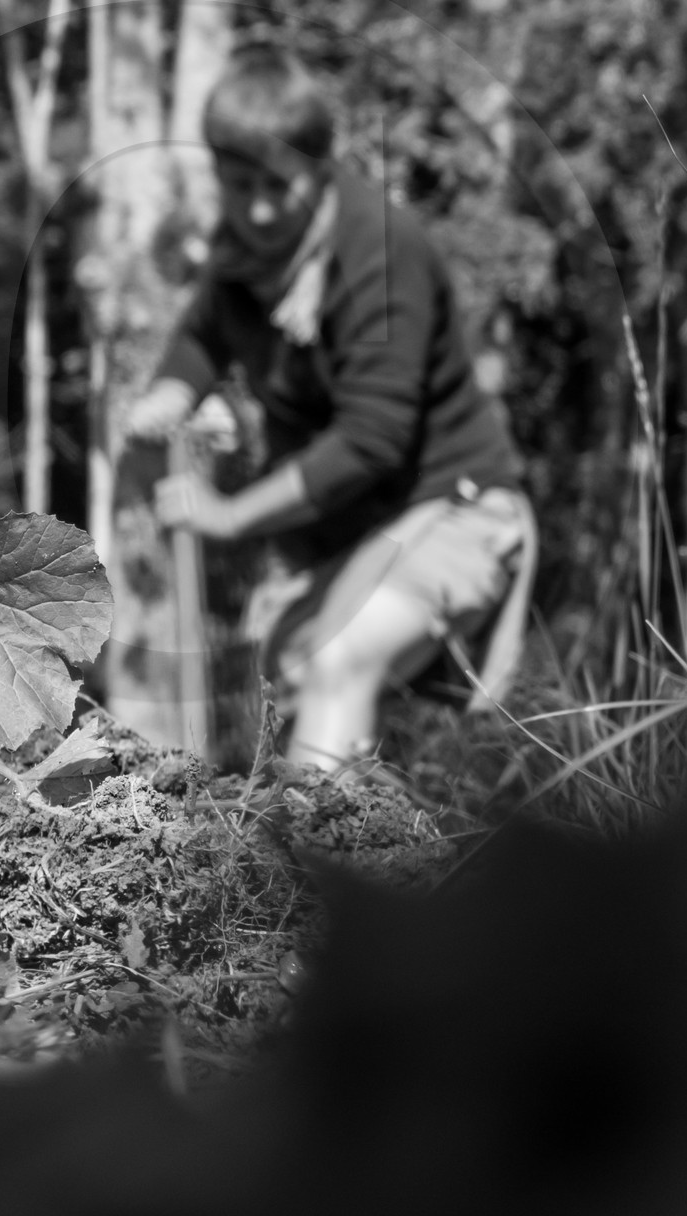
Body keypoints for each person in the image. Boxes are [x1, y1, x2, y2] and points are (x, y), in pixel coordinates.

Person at [124, 42, 536, 772]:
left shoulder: (378, 254)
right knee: (283, 672)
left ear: (320, 168)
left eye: (276, 187)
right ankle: (372, 814)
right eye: (237, 184)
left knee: (339, 659)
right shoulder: (245, 256)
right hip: (350, 537)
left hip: (456, 508)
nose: (256, 210)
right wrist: (173, 392)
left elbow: (370, 441)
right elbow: (204, 334)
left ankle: (321, 845)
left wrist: (231, 515)